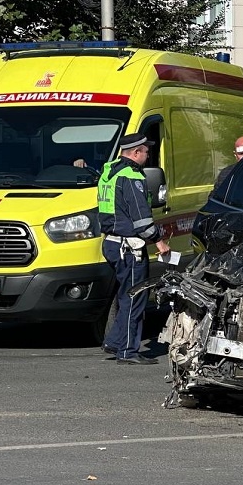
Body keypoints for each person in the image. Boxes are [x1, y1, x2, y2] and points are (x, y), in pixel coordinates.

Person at [97, 133, 170, 364]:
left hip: (111, 242)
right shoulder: (131, 176)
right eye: (146, 151)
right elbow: (141, 220)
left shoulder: (109, 171)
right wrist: (159, 240)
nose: (148, 155)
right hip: (129, 247)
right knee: (135, 296)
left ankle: (115, 341)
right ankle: (127, 350)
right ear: (136, 152)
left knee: (124, 294)